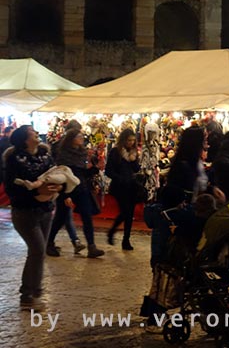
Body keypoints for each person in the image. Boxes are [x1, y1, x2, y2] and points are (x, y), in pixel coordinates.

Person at [150, 127, 223, 267]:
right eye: (204, 140)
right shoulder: (183, 164)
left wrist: (212, 189)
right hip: (185, 216)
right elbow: (179, 191)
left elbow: (199, 185)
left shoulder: (196, 162)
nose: (207, 143)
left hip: (193, 212)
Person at [3, 126, 57, 310]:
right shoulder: (14, 160)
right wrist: (36, 192)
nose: (37, 133)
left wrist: (58, 188)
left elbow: (55, 175)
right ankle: (27, 295)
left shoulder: (46, 156)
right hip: (25, 212)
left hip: (45, 209)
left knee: (38, 254)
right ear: (25, 139)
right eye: (32, 132)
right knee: (37, 250)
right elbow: (12, 189)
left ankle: (35, 291)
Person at [50, 129, 104, 258]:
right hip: (66, 188)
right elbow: (62, 173)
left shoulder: (82, 153)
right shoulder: (63, 154)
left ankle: (92, 246)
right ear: (71, 138)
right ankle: (49, 242)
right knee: (60, 217)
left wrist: (95, 169)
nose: (81, 138)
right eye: (78, 136)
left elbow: (81, 173)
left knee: (87, 215)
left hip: (81, 187)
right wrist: (65, 194)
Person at [106, 128, 142, 250]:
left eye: (133, 140)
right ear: (123, 140)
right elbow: (108, 170)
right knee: (126, 212)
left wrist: (133, 161)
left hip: (131, 187)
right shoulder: (115, 152)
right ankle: (113, 231)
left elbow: (136, 169)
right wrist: (120, 178)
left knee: (129, 213)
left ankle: (126, 240)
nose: (131, 143)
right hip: (119, 187)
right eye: (129, 140)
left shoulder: (133, 152)